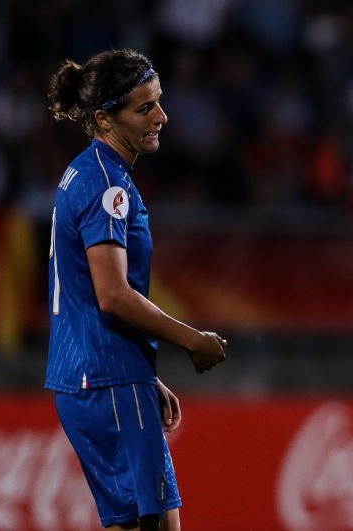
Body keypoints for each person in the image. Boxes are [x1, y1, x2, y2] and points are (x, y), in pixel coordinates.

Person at [44, 48, 227, 531]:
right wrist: (193, 340)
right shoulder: (109, 186)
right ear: (104, 119)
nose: (161, 117)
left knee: (147, 524)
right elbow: (113, 294)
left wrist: (144, 374)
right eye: (145, 108)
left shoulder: (84, 171)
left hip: (98, 376)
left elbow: (87, 294)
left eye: (159, 102)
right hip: (107, 381)